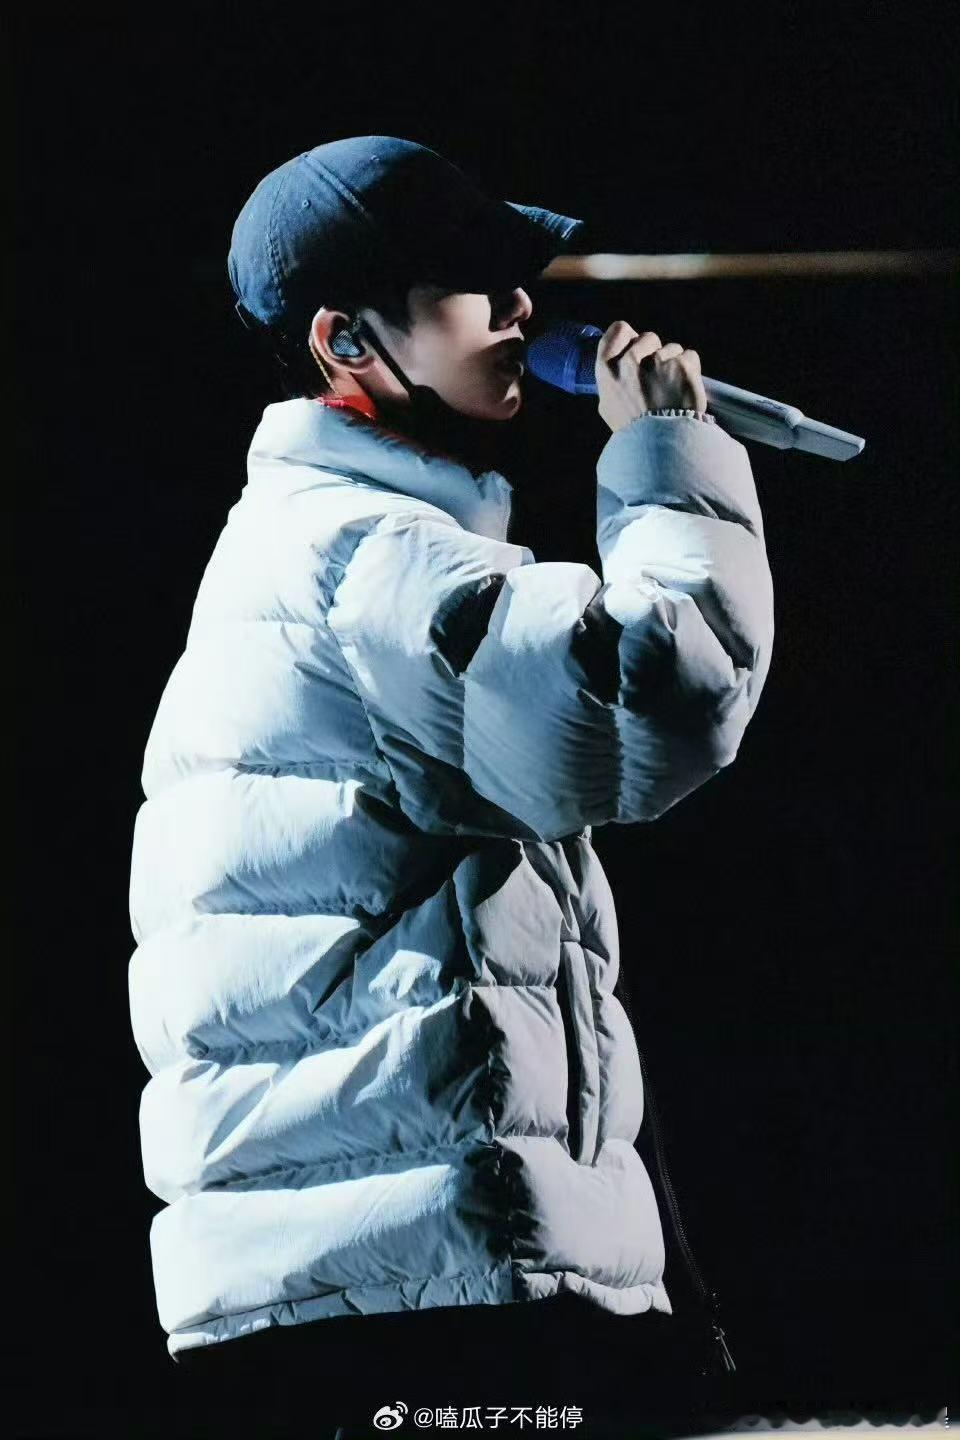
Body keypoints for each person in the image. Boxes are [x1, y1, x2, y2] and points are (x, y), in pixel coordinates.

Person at [127, 136, 775, 1437]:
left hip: (391, 1273)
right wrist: (667, 459)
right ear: (347, 343)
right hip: (419, 1293)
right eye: (473, 282)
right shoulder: (363, 558)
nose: (522, 306)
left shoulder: (327, 541)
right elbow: (658, 693)